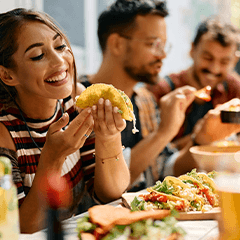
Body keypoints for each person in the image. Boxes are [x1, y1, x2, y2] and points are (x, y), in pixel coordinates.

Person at [0, 8, 130, 233]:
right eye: (38, 56)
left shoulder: (75, 101)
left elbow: (110, 194)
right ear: (7, 75)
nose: (60, 61)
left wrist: (109, 137)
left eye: (60, 46)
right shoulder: (4, 134)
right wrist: (53, 160)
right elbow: (21, 228)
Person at [79, 0, 197, 190]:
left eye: (164, 46)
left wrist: (202, 137)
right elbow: (104, 190)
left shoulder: (145, 100)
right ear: (117, 44)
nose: (162, 55)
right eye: (153, 44)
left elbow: (164, 169)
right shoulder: (80, 101)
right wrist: (163, 133)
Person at [148, 16, 240, 149]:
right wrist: (200, 137)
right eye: (207, 58)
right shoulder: (162, 91)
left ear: (234, 61)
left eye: (224, 62)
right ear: (192, 50)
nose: (214, 68)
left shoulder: (233, 88)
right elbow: (154, 158)